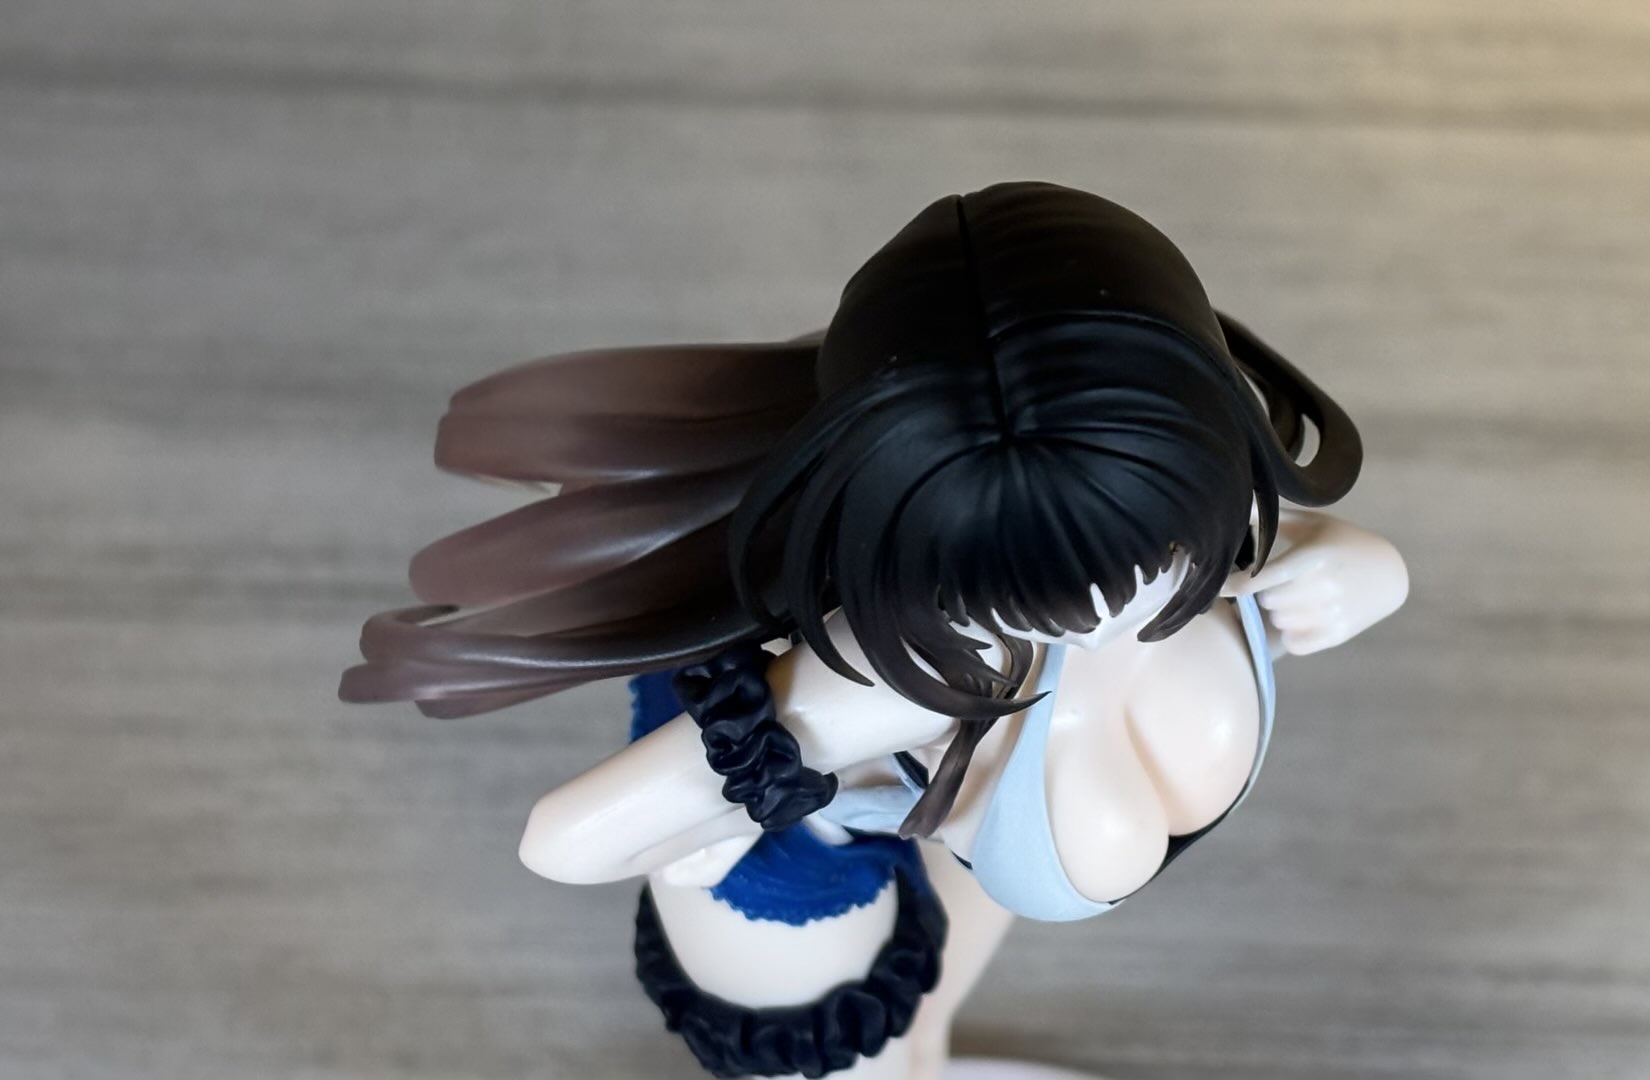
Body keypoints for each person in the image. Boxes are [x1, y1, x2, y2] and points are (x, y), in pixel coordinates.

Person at [341, 181, 1409, 1080]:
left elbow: (1210, 546)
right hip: (789, 875)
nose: (1107, 612)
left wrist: (1364, 567)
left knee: (924, 1036)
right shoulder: (885, 683)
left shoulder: (1167, 516)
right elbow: (567, 842)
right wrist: (740, 791)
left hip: (931, 797)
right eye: (1046, 596)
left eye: (1155, 557)